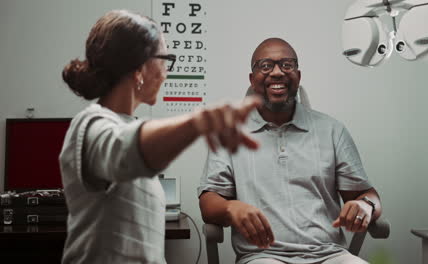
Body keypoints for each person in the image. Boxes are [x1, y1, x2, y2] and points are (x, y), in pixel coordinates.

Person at [59, 10, 261, 264]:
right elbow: (125, 151)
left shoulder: (126, 125)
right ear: (139, 69)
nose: (166, 72)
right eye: (165, 59)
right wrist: (201, 121)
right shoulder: (90, 126)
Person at [198, 38, 382, 264]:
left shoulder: (332, 130)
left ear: (298, 75)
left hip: (330, 255)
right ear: (252, 79)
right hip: (263, 256)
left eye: (287, 65)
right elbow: (208, 204)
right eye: (265, 66)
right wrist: (230, 207)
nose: (277, 73)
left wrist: (366, 205)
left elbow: (367, 194)